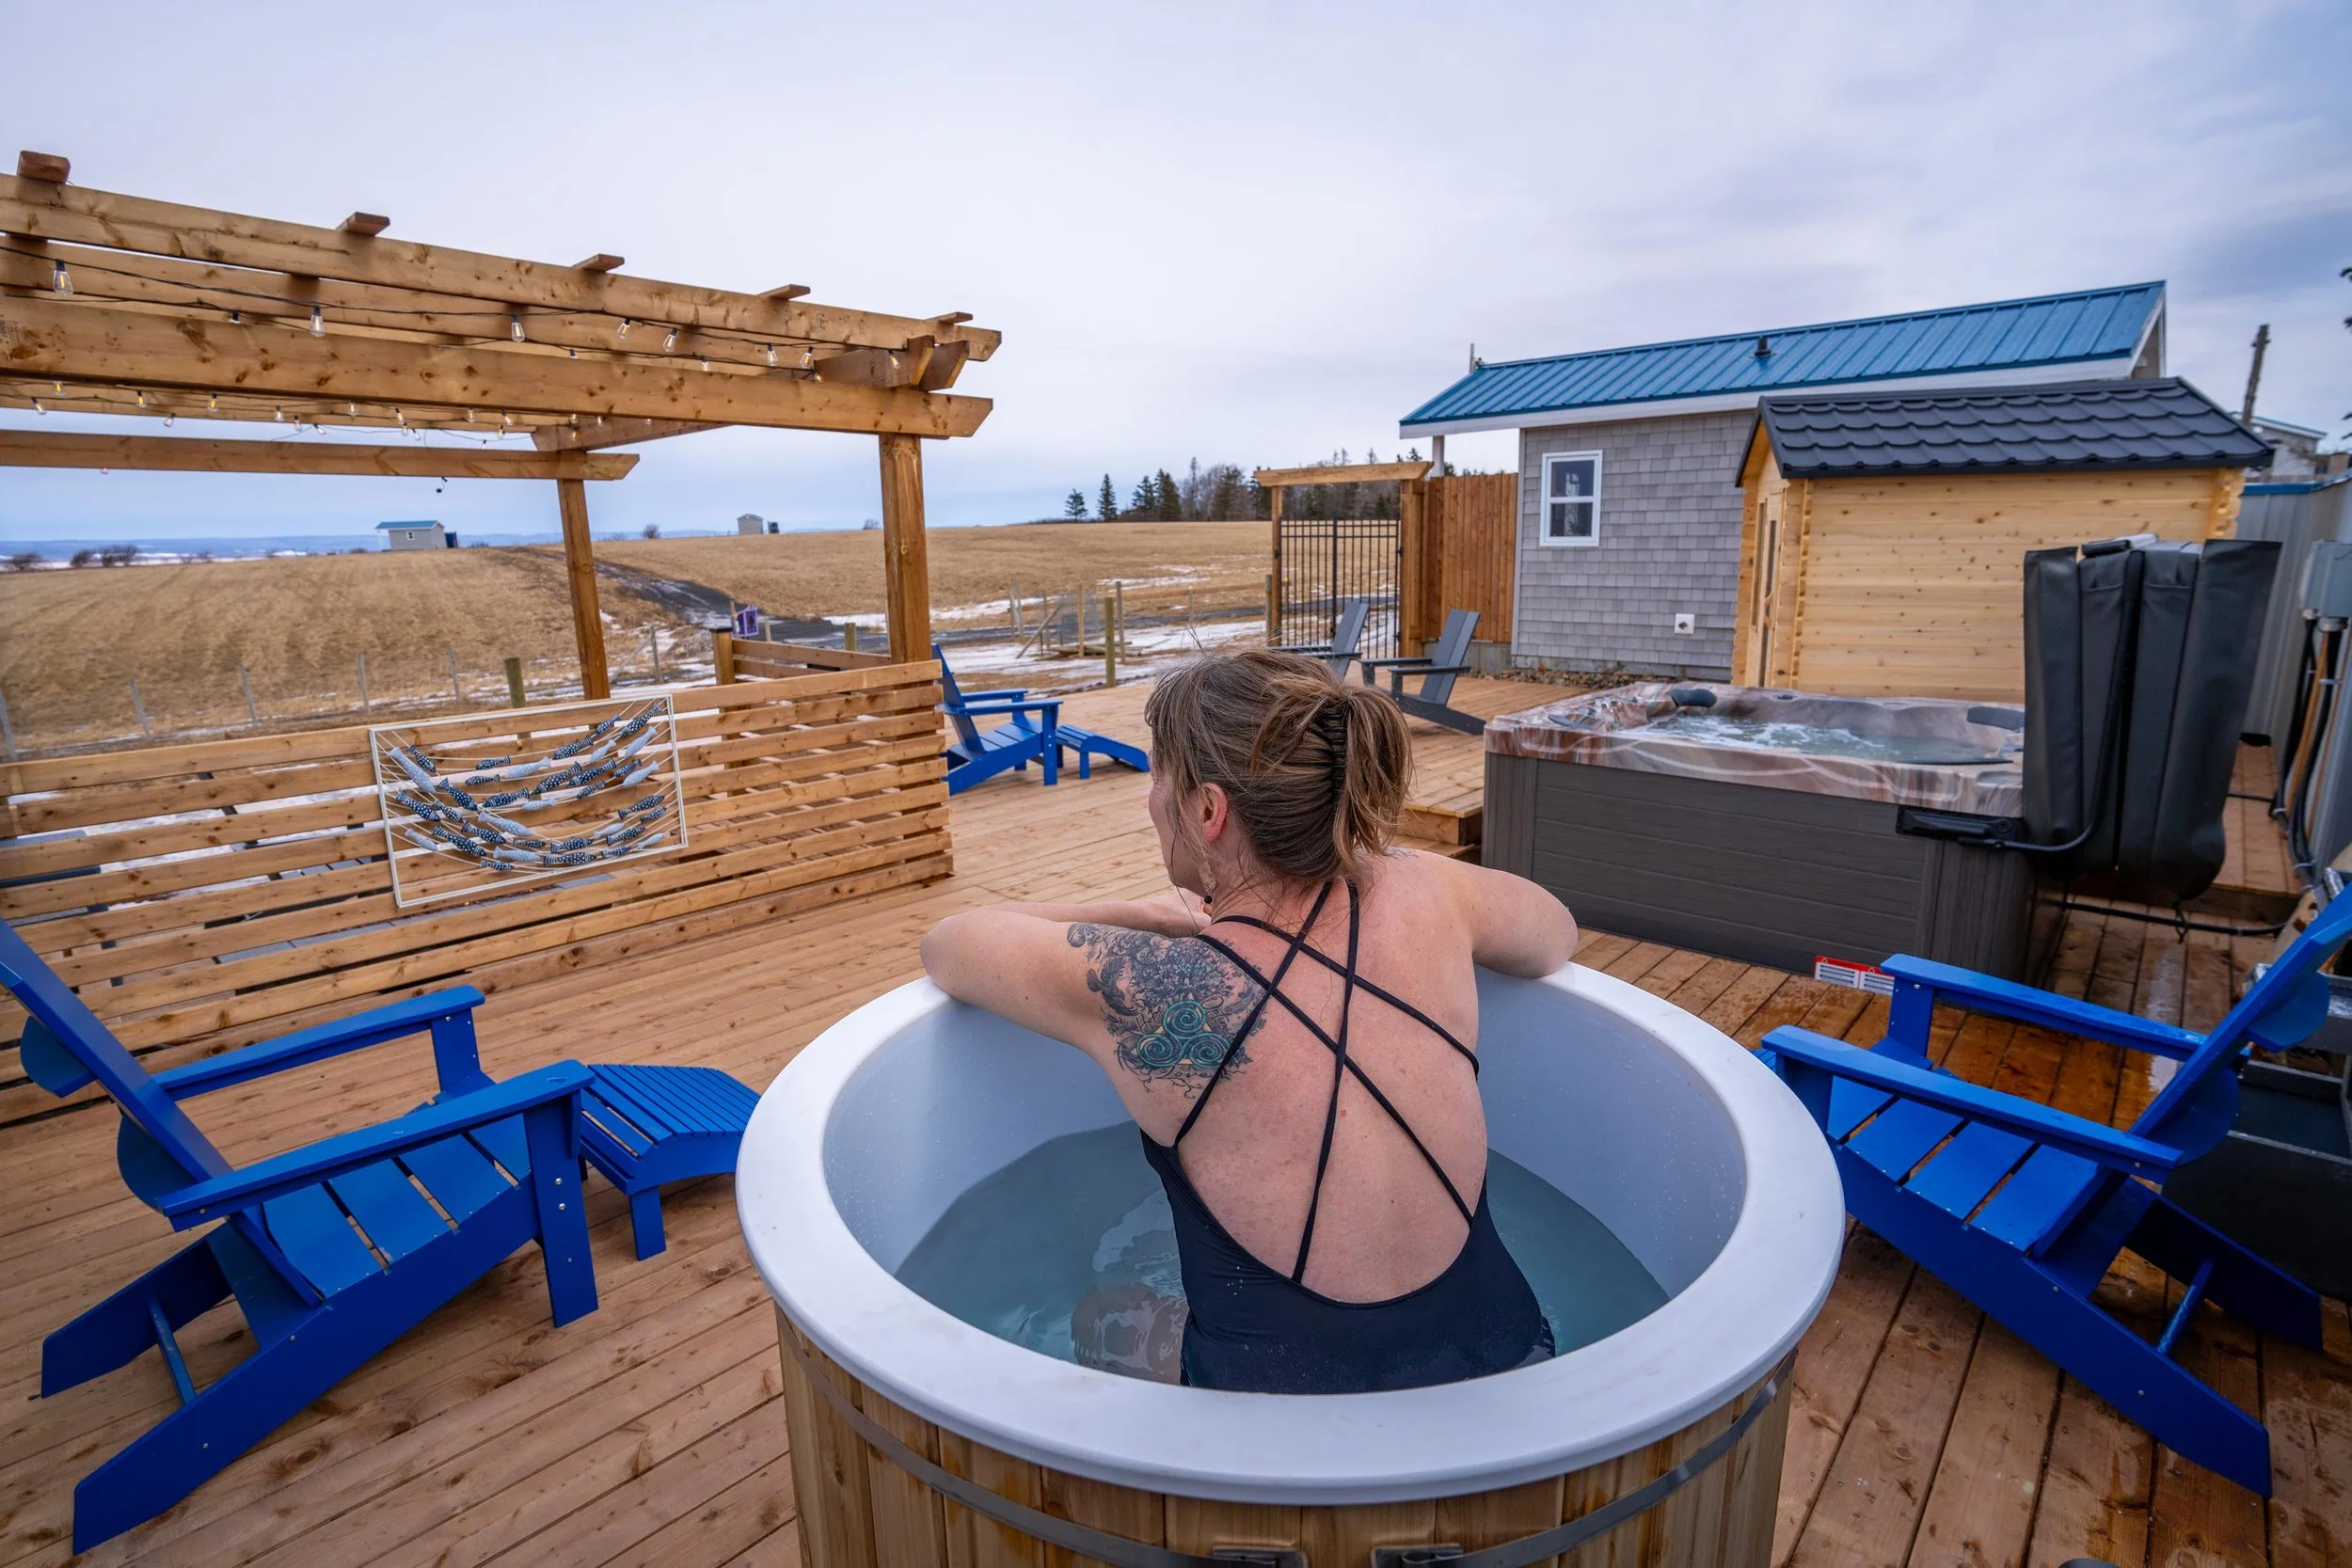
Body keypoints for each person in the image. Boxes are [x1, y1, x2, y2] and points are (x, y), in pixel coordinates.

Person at [921, 649, 1580, 1394]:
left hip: (1279, 1425)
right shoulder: (1428, 889)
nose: (1150, 800)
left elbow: (949, 943)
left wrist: (1142, 918)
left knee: (1102, 1312)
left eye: (1157, 775)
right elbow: (1555, 933)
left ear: (1207, 810)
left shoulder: (1153, 986)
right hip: (1514, 1355)